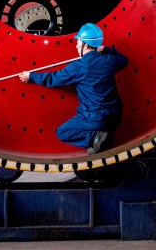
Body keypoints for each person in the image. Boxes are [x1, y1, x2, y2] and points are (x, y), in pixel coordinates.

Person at [18, 22, 128, 153]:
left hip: (97, 119)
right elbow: (123, 60)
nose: (76, 45)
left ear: (86, 45)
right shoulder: (109, 60)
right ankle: (103, 138)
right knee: (81, 111)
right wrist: (105, 49)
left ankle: (95, 137)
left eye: (78, 42)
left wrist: (31, 76)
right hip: (116, 117)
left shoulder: (79, 66)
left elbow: (53, 78)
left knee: (63, 132)